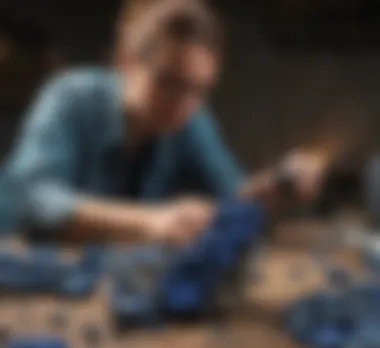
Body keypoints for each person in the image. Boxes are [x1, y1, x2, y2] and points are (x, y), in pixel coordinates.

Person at [3, 0, 325, 246]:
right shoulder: (69, 95)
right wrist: (149, 221)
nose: (184, 106)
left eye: (199, 90)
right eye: (169, 84)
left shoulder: (192, 117)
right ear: (126, 62)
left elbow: (232, 198)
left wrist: (274, 188)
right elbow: (31, 197)